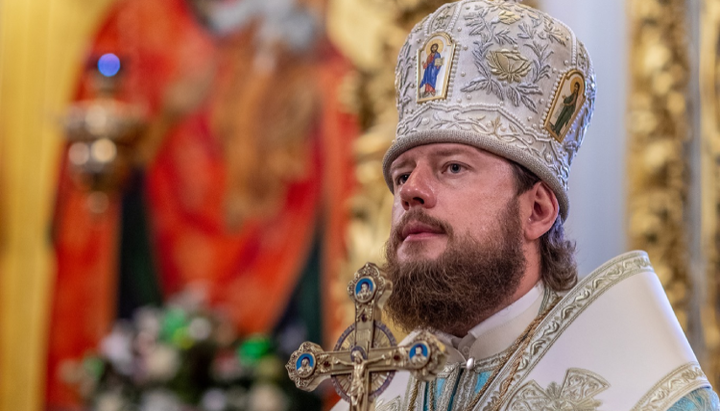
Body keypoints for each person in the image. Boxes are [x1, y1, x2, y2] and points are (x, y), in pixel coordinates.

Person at [331, 0, 718, 410]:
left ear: (537, 211)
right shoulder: (372, 395)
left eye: (453, 167)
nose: (410, 191)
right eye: (402, 175)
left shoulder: (644, 393)